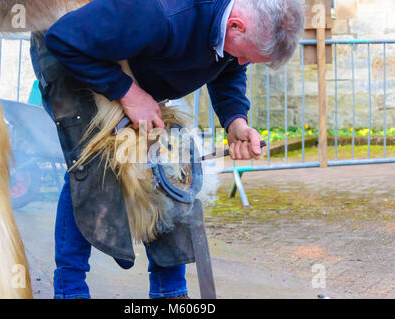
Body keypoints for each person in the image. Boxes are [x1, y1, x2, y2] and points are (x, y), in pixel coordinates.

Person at [33, 0, 304, 299]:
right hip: (72, 53)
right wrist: (129, 93)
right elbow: (62, 39)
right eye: (244, 55)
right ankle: (70, 291)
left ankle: (170, 294)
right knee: (93, 165)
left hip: (127, 55)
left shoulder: (235, 32)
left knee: (168, 166)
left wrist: (235, 121)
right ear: (236, 25)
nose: (241, 62)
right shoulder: (157, 12)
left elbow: (228, 68)